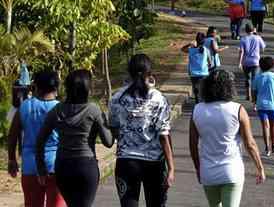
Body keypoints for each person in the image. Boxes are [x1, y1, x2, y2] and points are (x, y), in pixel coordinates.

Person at [36, 69, 114, 207]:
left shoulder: (57, 110)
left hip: (63, 167)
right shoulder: (93, 110)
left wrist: (41, 169)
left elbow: (40, 141)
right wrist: (109, 125)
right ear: (87, 88)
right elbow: (108, 142)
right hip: (86, 166)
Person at [189, 70, 266, 207]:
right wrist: (260, 168)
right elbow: (250, 144)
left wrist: (198, 168)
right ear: (229, 87)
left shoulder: (197, 110)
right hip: (232, 170)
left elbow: (193, 145)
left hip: (208, 172)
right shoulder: (237, 109)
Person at [109, 54, 175, 207]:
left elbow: (113, 127)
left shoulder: (116, 98)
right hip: (154, 164)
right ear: (149, 73)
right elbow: (164, 135)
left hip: (126, 162)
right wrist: (171, 167)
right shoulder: (158, 99)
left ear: (129, 72)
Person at [8, 70, 66, 207]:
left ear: (36, 87)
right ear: (56, 87)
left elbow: (12, 135)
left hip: (30, 167)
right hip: (56, 165)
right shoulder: (61, 108)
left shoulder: (25, 107)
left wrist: (12, 159)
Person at [252, 57, 274, 156]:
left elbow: (254, 91)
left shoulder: (257, 77)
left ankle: (267, 148)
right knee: (273, 126)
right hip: (273, 105)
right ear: (271, 66)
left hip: (261, 105)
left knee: (265, 126)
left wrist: (254, 103)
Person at [238, 23, 266, 101]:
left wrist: (240, 62)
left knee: (247, 78)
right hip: (256, 61)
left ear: (246, 30)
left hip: (246, 62)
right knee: (255, 79)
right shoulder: (258, 38)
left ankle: (248, 95)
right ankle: (255, 96)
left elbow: (241, 52)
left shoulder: (243, 39)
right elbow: (263, 48)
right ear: (252, 30)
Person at [182, 32, 211, 103]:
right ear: (204, 41)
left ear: (196, 40)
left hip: (193, 73)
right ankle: (203, 102)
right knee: (203, 89)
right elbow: (210, 62)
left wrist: (189, 44)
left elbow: (182, 49)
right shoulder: (206, 50)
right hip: (204, 73)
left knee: (196, 89)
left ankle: (197, 102)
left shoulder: (191, 50)